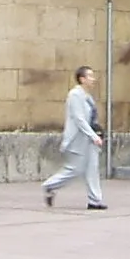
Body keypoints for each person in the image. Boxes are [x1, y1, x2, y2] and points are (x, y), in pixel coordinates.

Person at [41, 64, 106, 210]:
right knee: (75, 169)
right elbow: (79, 119)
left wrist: (96, 134)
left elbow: (91, 119)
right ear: (82, 79)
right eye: (90, 76)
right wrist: (93, 135)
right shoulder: (75, 95)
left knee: (92, 168)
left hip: (89, 140)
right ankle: (49, 186)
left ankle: (95, 200)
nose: (93, 79)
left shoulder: (87, 96)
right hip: (78, 140)